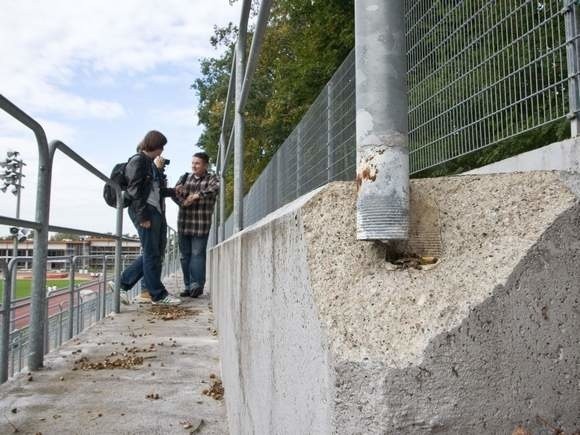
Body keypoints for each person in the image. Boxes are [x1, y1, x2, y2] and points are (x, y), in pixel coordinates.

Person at [117, 130, 181, 306]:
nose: (162, 151)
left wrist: (175, 190)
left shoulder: (150, 164)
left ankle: (122, 283)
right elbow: (134, 191)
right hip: (146, 212)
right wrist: (143, 216)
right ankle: (157, 295)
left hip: (156, 210)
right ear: (158, 147)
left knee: (155, 252)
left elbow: (156, 190)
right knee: (152, 253)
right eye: (162, 147)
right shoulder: (138, 161)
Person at [174, 152, 219, 298]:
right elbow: (175, 193)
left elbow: (215, 188)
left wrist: (197, 195)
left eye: (197, 163)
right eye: (193, 163)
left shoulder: (212, 178)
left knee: (197, 255)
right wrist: (183, 202)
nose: (194, 166)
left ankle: (197, 285)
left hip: (201, 223)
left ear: (205, 165)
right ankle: (188, 286)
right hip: (184, 223)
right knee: (184, 256)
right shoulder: (184, 177)